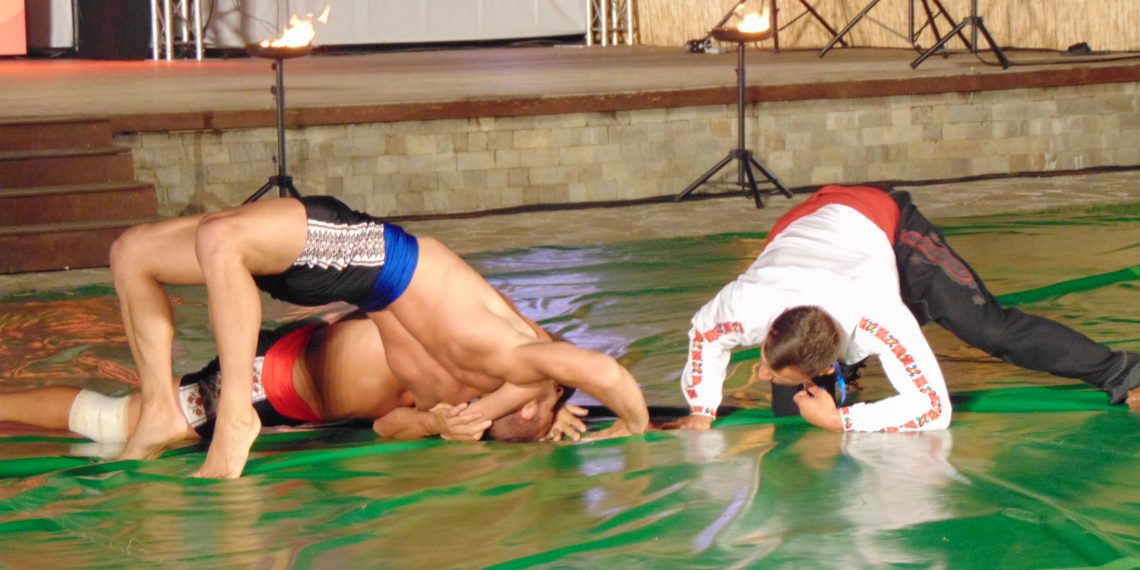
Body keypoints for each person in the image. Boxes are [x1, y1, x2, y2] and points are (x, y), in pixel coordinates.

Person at [109, 195, 648, 478]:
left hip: (359, 276)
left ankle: (193, 413)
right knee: (140, 251)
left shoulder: (455, 400)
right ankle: (189, 410)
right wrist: (633, 423)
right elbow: (596, 369)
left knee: (189, 243)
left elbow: (391, 427)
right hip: (377, 256)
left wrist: (448, 422)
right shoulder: (517, 353)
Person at [667, 184, 1140, 432]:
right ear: (770, 330)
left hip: (884, 225)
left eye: (769, 370)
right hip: (812, 226)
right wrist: (702, 409)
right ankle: (831, 382)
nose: (761, 373)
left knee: (987, 328)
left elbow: (933, 409)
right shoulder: (747, 303)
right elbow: (704, 334)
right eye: (768, 363)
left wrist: (841, 420)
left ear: (828, 361)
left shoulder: (880, 316)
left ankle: (1123, 372)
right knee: (792, 418)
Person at [0, 313, 590, 448]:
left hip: (293, 394)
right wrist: (544, 388)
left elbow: (387, 425)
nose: (538, 417)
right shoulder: (494, 349)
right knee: (115, 422)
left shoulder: (470, 407)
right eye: (542, 403)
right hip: (278, 372)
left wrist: (435, 424)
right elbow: (536, 343)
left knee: (121, 419)